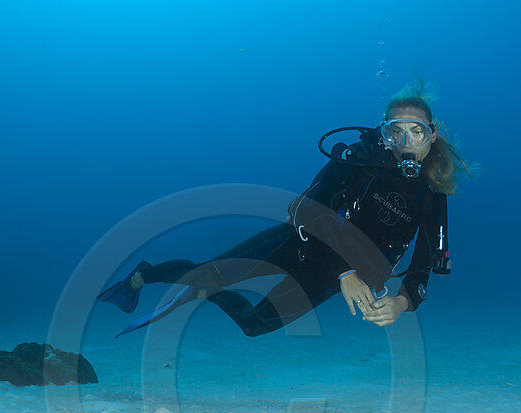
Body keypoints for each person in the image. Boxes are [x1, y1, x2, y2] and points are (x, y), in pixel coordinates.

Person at [98, 79, 468, 337]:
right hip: (301, 244)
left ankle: (202, 288)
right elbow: (301, 209)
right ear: (382, 132)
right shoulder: (359, 160)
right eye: (394, 131)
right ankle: (141, 276)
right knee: (202, 279)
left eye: (416, 131)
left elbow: (425, 266)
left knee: (254, 326)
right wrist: (345, 272)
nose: (404, 142)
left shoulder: (432, 195)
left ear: (432, 135)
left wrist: (402, 302)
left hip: (332, 276)